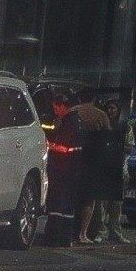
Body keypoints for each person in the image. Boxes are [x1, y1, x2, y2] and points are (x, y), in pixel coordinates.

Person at [90, 98, 134, 243]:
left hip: (119, 170)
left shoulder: (125, 127)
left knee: (116, 205)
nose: (110, 111)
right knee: (101, 204)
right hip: (103, 169)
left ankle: (115, 232)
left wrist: (117, 145)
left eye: (113, 108)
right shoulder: (101, 125)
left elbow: (130, 148)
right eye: (108, 108)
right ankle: (101, 232)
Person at [71, 90, 112, 244]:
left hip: (72, 158)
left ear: (79, 98)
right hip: (92, 160)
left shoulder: (72, 112)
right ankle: (83, 234)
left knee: (72, 195)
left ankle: (68, 230)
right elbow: (108, 137)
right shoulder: (100, 115)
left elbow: (58, 128)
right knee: (89, 199)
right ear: (93, 99)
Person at [45, 93, 83, 246]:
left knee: (57, 204)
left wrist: (49, 145)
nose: (55, 112)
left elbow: (64, 147)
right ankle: (65, 238)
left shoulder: (69, 123)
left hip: (63, 169)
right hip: (73, 169)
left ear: (62, 106)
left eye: (56, 108)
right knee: (68, 206)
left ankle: (54, 237)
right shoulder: (76, 121)